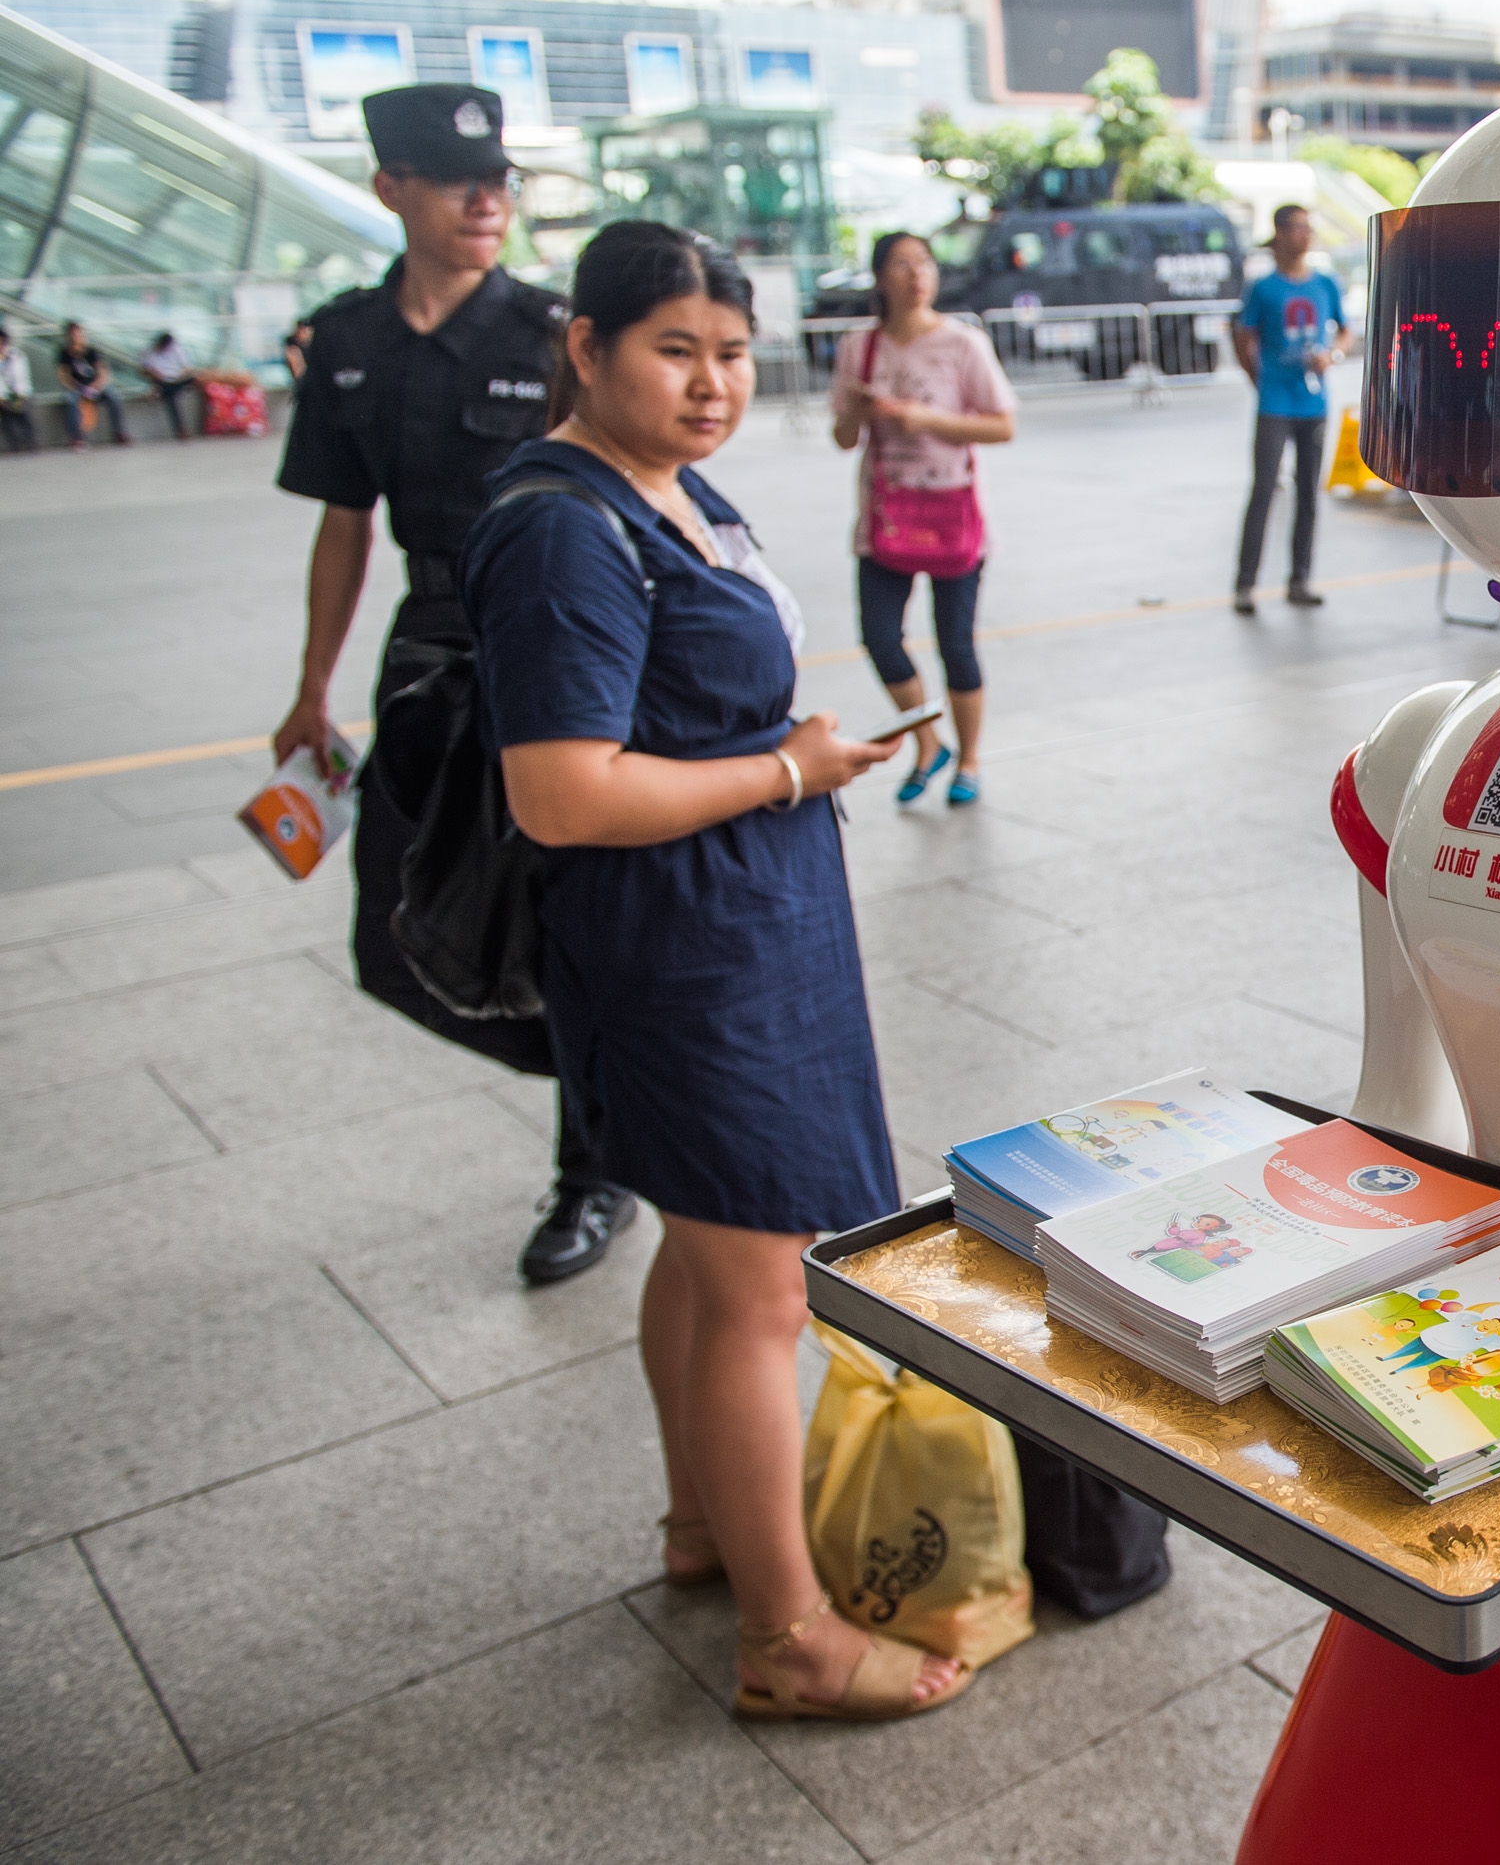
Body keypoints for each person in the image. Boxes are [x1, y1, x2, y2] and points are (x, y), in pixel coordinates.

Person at [463, 220, 964, 1723]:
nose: (709, 384)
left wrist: (796, 762)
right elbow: (561, 791)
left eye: (733, 354)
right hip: (680, 948)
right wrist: (785, 770)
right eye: (672, 351)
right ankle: (788, 1637)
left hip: (733, 919)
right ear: (585, 347)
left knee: (700, 1255)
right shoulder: (565, 524)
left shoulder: (668, 492)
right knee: (763, 1292)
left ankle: (701, 1527)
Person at [271, 83, 636, 1284]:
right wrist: (313, 686)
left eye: (500, 180)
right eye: (455, 179)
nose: (489, 199)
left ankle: (595, 1165)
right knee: (395, 931)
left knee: (557, 914)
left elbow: (627, 491)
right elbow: (343, 525)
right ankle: (607, 1075)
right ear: (392, 190)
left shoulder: (550, 331)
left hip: (549, 643)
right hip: (426, 651)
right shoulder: (347, 343)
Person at [831, 230, 1018, 807]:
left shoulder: (962, 344)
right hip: (886, 517)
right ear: (880, 276)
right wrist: (860, 415)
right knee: (881, 639)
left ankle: (968, 759)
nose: (917, 275)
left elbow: (1002, 425)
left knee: (955, 644)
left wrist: (924, 418)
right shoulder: (859, 347)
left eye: (925, 263)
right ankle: (927, 741)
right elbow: (842, 437)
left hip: (951, 513)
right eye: (903, 264)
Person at [1230, 204, 1348, 615]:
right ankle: (1245, 584)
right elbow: (1243, 337)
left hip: (1312, 402)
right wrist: (1258, 378)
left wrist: (1331, 355)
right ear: (1280, 234)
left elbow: (1345, 330)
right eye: (1297, 228)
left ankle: (1300, 578)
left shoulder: (1326, 283)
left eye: (1308, 228)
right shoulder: (1263, 289)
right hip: (1275, 402)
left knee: (1308, 494)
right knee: (1264, 489)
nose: (1304, 235)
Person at [57, 322, 127, 448]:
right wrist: (78, 387)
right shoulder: (64, 353)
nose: (75, 337)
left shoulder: (91, 351)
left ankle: (119, 432)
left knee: (114, 397)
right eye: (72, 334)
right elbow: (63, 375)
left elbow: (103, 372)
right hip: (77, 388)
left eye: (78, 333)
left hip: (95, 387)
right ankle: (77, 437)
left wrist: (94, 387)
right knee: (70, 400)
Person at [140, 330, 201, 439]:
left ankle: (157, 390)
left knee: (197, 378)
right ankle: (181, 430)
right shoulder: (150, 353)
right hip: (163, 381)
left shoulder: (177, 349)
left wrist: (180, 375)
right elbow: (145, 370)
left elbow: (187, 367)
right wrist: (156, 375)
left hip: (177, 379)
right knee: (171, 397)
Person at [0, 328, 33, 453]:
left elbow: (21, 378)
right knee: (6, 416)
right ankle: (15, 444)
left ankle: (29, 441)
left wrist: (18, 396)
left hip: (20, 393)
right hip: (3, 396)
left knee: (23, 410)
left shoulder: (17, 356)